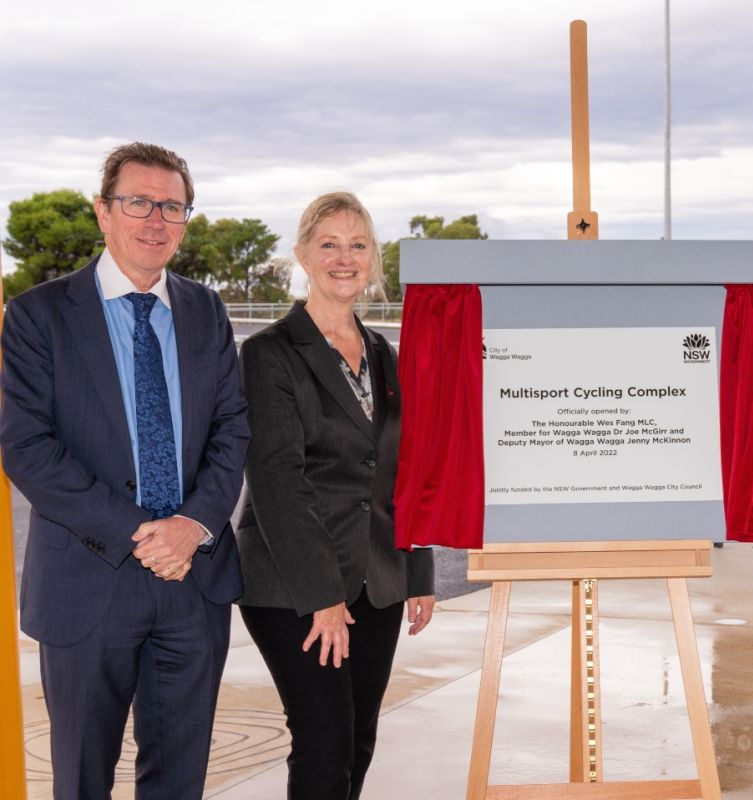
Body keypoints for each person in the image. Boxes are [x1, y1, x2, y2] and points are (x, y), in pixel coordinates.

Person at [0, 143, 249, 799]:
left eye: (172, 206)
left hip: (193, 584)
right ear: (103, 212)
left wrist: (192, 526)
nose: (155, 220)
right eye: (137, 202)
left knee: (180, 779)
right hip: (90, 583)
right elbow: (26, 446)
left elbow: (233, 430)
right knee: (82, 778)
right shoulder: (38, 316)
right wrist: (145, 534)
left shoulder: (207, 311)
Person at [236, 191, 435, 800]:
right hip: (295, 586)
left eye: (358, 245)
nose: (344, 258)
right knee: (324, 742)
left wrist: (419, 572)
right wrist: (321, 598)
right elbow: (276, 481)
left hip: (378, 580)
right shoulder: (270, 353)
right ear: (302, 255)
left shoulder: (385, 355)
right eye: (329, 244)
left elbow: (408, 468)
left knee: (358, 742)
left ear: (373, 259)